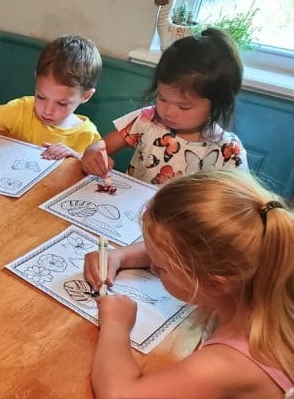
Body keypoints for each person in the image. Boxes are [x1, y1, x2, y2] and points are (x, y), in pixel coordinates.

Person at [85, 170, 293, 397]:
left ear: (214, 283)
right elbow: (184, 252)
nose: (153, 268)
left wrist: (115, 324)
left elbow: (119, 395)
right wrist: (121, 256)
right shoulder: (267, 264)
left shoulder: (227, 364)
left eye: (160, 268)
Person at [81, 28, 247, 185]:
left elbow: (235, 203)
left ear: (218, 103)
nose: (168, 112)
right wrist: (93, 153)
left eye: (184, 107)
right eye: (162, 98)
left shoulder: (230, 152)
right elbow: (101, 145)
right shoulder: (148, 119)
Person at [0, 35, 102, 166]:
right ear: (36, 78)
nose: (47, 110)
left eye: (61, 103)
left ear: (86, 96)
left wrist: (76, 157)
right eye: (41, 97)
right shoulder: (21, 109)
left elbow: (98, 179)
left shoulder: (88, 136)